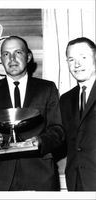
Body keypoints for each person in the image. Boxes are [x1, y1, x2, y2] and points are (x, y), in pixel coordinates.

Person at [0, 36, 64, 191]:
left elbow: (58, 130)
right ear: (1, 60)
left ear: (28, 57)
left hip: (40, 175)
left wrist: (40, 142)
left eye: (18, 52)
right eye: (6, 54)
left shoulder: (47, 88)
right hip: (0, 178)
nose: (12, 59)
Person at [60, 37, 96, 191]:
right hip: (76, 182)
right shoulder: (65, 99)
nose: (77, 64)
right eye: (71, 59)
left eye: (83, 57)